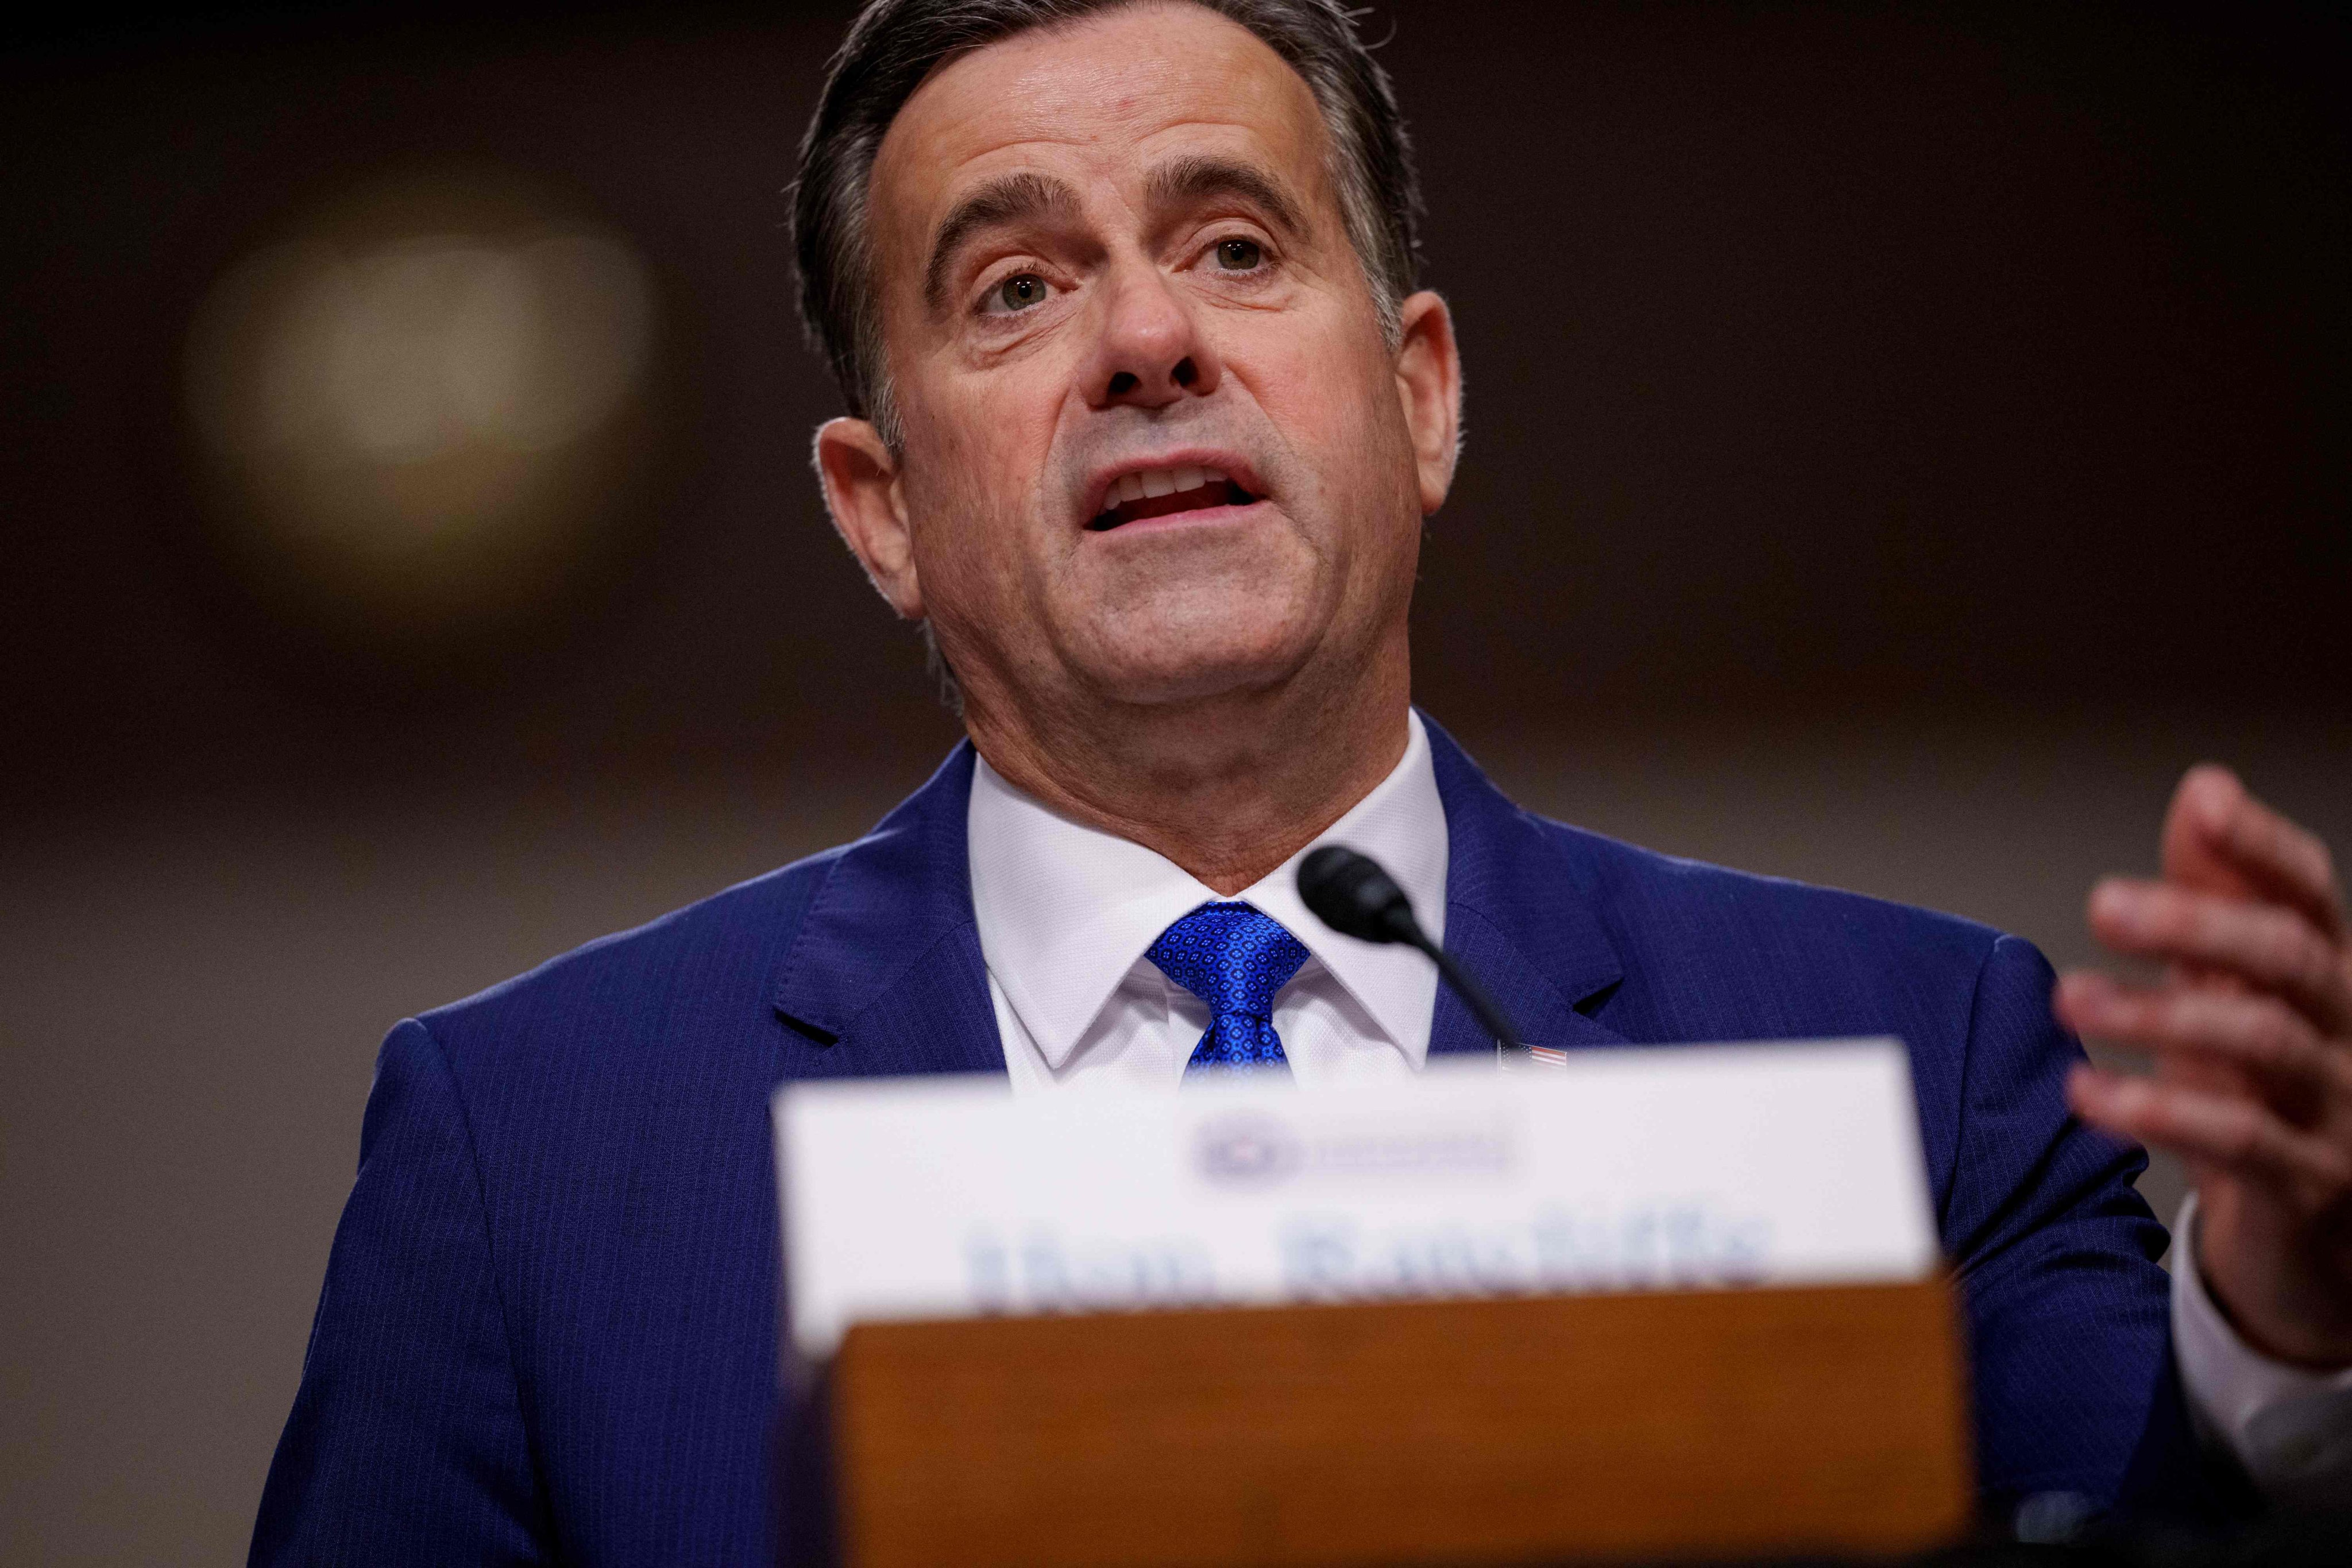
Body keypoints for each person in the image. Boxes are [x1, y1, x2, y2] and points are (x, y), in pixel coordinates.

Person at [249, 1, 2352, 1560]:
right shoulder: (527, 1160)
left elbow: (2132, 1517)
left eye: (1239, 246)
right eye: (1017, 286)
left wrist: (2283, 1315)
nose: (1150, 337)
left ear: (1421, 397)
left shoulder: (1919, 1057)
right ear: (879, 509)